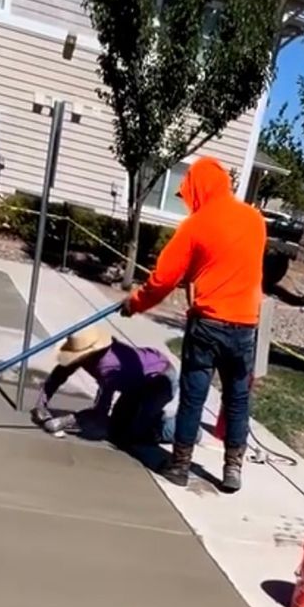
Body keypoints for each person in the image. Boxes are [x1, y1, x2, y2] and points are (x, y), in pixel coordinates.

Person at [121, 156, 266, 493]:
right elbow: (235, 260)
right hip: (245, 326)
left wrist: (135, 303)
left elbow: (163, 279)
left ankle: (180, 466)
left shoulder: (196, 225)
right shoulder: (254, 220)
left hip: (208, 326)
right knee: (237, 399)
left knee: (193, 398)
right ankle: (233, 469)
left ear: (199, 188)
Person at [31, 326, 178, 448]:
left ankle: (181, 428)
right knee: (116, 429)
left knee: (134, 435)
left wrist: (66, 421)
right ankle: (151, 417)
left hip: (160, 380)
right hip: (136, 380)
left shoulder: (109, 367)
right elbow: (59, 374)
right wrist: (41, 405)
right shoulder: (85, 354)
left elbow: (100, 411)